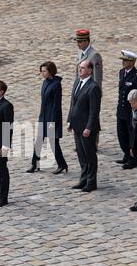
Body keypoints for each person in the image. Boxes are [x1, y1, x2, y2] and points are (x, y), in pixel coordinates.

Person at [26, 61, 68, 174]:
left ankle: (62, 164)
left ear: (50, 71)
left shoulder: (56, 85)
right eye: (42, 71)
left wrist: (52, 122)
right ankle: (34, 164)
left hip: (51, 118)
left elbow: (56, 105)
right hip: (43, 116)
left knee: (53, 142)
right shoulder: (45, 82)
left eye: (44, 71)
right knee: (38, 141)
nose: (42, 73)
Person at [67, 60, 101, 192]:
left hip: (87, 128)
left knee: (90, 155)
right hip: (77, 125)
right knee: (81, 154)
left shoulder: (93, 87)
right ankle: (83, 179)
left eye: (82, 68)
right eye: (79, 68)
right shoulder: (77, 82)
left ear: (90, 70)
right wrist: (70, 121)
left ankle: (92, 182)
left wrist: (89, 127)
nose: (79, 70)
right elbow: (73, 103)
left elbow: (94, 111)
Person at [116, 50, 137, 170]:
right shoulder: (121, 73)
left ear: (133, 62)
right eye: (123, 60)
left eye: (126, 60)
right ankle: (126, 154)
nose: (123, 62)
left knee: (131, 136)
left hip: (131, 112)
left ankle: (133, 158)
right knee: (121, 134)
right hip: (121, 110)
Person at [74, 29, 103, 150]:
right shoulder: (80, 54)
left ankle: (93, 143)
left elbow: (97, 77)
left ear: (87, 41)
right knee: (80, 114)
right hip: (81, 89)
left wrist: (96, 93)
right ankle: (80, 140)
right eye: (77, 41)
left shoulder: (94, 55)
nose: (78, 44)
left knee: (92, 115)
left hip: (90, 91)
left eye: (80, 41)